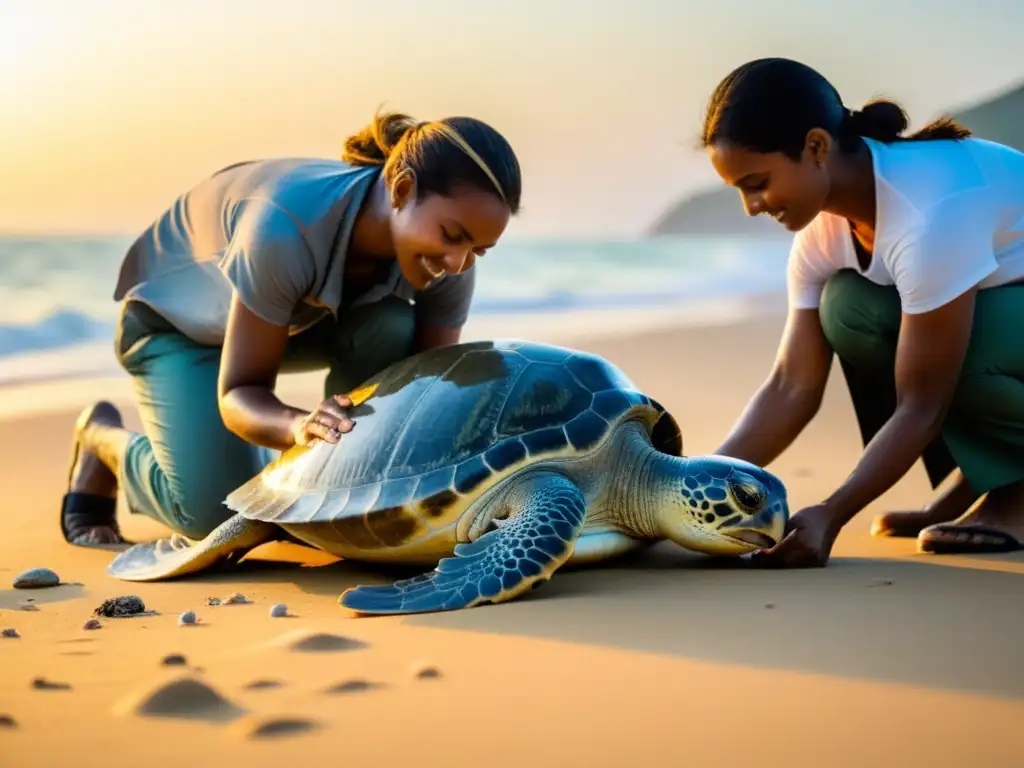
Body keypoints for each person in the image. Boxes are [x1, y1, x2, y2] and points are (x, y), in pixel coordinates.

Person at [60, 111, 522, 547]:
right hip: (175, 328)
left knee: (390, 323)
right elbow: (239, 394)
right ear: (401, 190)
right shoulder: (283, 227)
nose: (458, 262)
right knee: (215, 516)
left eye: (479, 250)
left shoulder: (451, 261)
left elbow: (427, 390)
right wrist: (299, 425)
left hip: (295, 323)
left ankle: (338, 476)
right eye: (452, 235)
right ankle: (102, 440)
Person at [700, 57, 1024, 567]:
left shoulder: (929, 214)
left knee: (956, 341)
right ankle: (980, 473)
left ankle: (1016, 491)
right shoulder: (824, 233)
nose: (752, 206)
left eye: (757, 183)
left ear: (816, 148)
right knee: (850, 309)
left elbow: (925, 401)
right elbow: (791, 386)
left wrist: (833, 511)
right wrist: (686, 488)